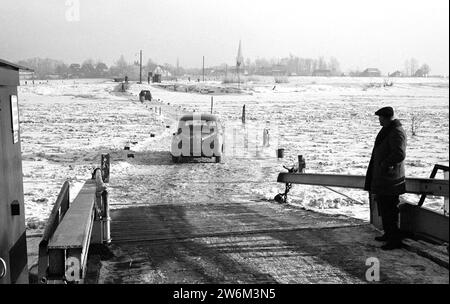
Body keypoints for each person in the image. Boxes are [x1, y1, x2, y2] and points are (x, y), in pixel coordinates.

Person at [364, 106, 407, 250]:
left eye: (381, 118)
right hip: (384, 178)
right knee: (384, 207)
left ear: (387, 118)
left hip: (390, 179)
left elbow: (399, 154)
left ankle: (394, 239)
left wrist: (384, 164)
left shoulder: (395, 132)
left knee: (390, 209)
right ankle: (389, 234)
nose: (379, 120)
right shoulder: (389, 130)